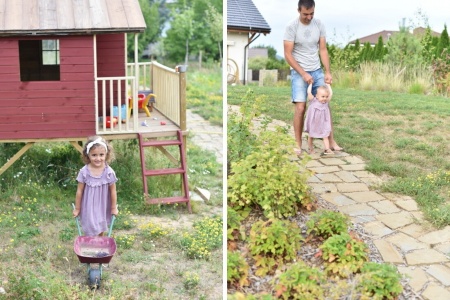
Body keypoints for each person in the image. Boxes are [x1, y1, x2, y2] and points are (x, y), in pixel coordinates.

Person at [283, 0, 343, 154]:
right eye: (305, 14)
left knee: (325, 104)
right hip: (299, 72)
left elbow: (323, 50)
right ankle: (298, 144)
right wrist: (303, 73)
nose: (309, 17)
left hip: (316, 70)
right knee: (301, 107)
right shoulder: (291, 27)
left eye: (312, 13)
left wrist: (327, 72)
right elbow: (288, 54)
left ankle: (330, 141)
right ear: (298, 11)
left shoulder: (319, 24)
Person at [73, 136, 119, 236]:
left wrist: (113, 208)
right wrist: (77, 208)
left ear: (106, 154)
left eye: (101, 155)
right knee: (89, 223)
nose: (98, 158)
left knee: (101, 222)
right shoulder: (84, 172)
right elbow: (79, 191)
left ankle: (99, 242)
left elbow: (113, 191)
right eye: (94, 155)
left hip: (103, 204)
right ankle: (89, 242)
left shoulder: (109, 172)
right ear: (88, 155)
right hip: (88, 204)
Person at [304, 84, 334, 155]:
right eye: (323, 96)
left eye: (326, 96)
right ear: (317, 96)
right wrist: (310, 84)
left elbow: (331, 94)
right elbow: (309, 92)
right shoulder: (313, 100)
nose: (325, 98)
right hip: (314, 122)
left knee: (325, 135)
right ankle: (310, 149)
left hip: (323, 122)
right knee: (311, 136)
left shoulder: (326, 102)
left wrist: (328, 86)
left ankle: (327, 149)